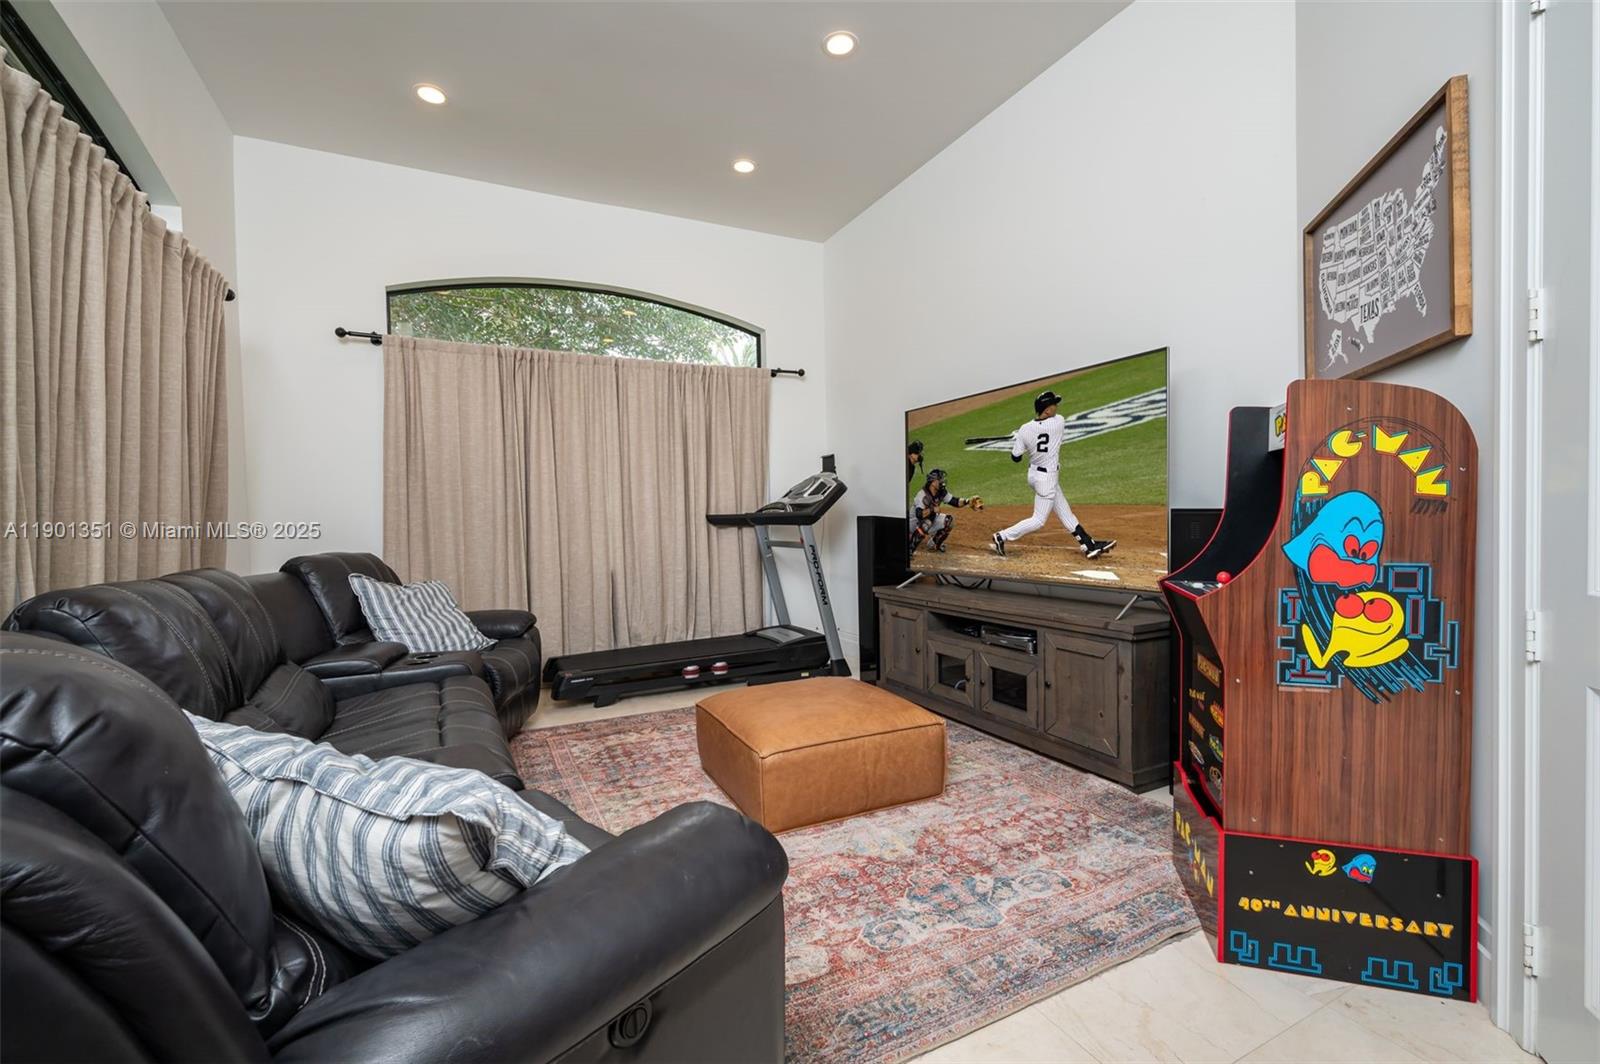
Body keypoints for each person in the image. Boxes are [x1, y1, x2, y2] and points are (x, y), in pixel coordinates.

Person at [991, 390, 1115, 560]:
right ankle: (1001, 536)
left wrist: (1020, 438)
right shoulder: (1058, 422)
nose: (1056, 407)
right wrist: (1021, 436)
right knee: (1039, 520)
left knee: (1065, 512)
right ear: (1047, 411)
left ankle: (1088, 545)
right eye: (1054, 404)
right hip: (1047, 479)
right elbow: (1042, 433)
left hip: (1035, 475)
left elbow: (1016, 458)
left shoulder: (1025, 429)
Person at [909, 468, 982, 553]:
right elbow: (919, 514)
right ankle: (910, 549)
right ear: (933, 482)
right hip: (914, 523)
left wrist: (967, 501)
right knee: (926, 523)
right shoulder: (922, 495)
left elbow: (955, 501)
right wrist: (932, 509)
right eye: (940, 479)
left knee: (949, 521)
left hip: (929, 519)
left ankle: (934, 544)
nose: (942, 481)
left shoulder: (941, 492)